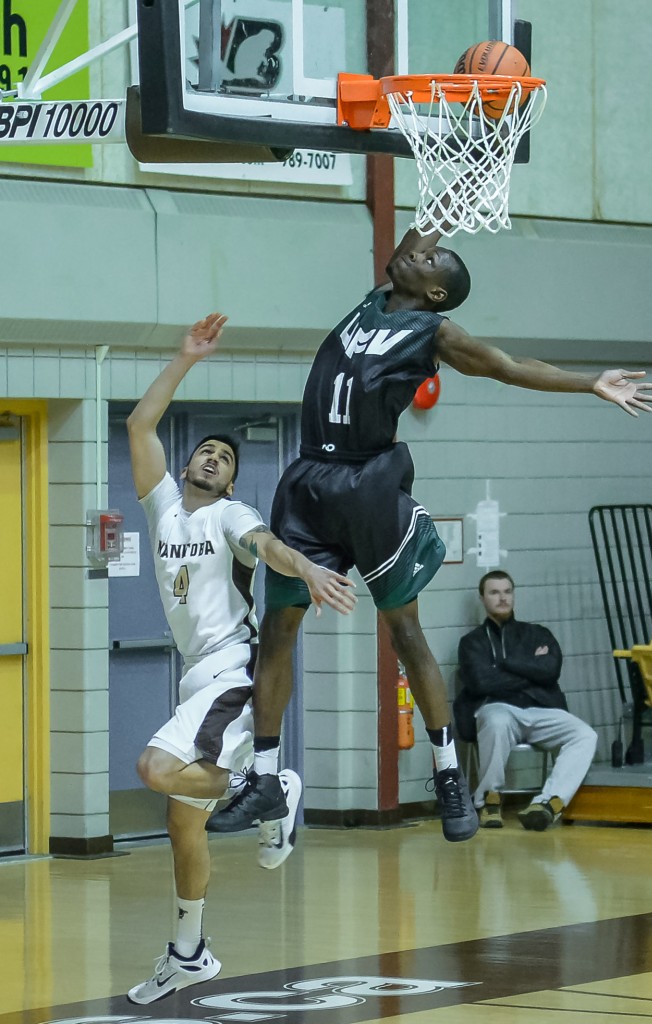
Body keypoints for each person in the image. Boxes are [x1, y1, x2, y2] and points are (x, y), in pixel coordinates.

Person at [205, 216, 652, 845]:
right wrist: (448, 201)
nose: (419, 254)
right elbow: (412, 242)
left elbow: (504, 365)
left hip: (368, 483)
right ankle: (263, 777)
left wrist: (589, 382)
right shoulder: (374, 301)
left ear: (436, 291)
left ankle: (449, 778)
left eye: (432, 258)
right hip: (310, 476)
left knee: (406, 632)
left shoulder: (434, 329)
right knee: (279, 632)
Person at [125, 314, 356, 1004]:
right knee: (179, 819)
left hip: (235, 667)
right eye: (206, 451)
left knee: (155, 769)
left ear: (229, 483)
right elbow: (140, 425)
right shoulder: (164, 508)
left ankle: (271, 790)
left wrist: (306, 568)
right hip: (197, 674)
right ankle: (188, 952)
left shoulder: (230, 516)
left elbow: (269, 547)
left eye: (224, 458)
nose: (212, 458)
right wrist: (185, 359)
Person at [455, 570, 599, 831]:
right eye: (495, 592)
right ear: (482, 598)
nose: (502, 598)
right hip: (498, 709)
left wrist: (504, 665)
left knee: (585, 734)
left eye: (507, 592)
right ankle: (490, 800)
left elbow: (549, 671)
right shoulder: (472, 642)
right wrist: (530, 669)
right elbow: (480, 683)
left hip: (541, 709)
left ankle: (547, 803)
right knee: (496, 721)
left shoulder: (538, 634)